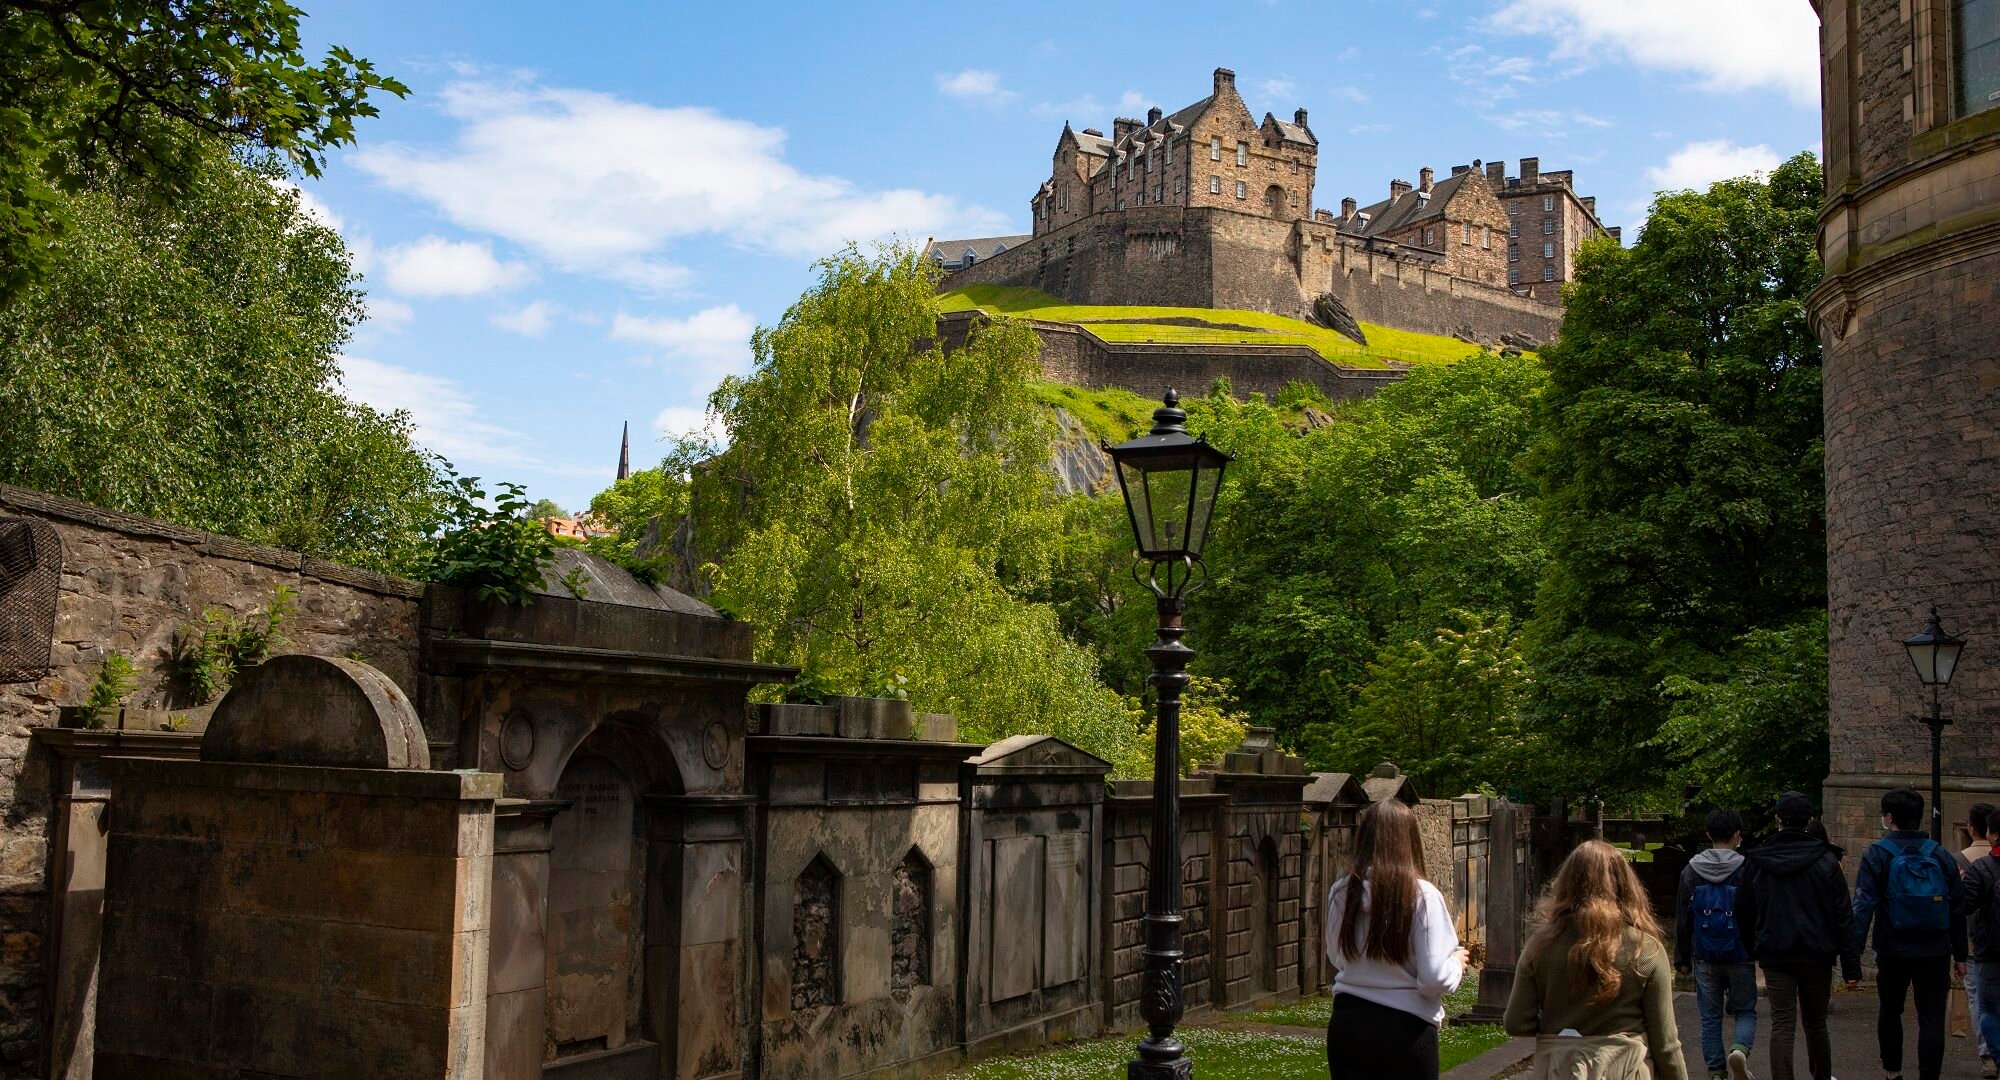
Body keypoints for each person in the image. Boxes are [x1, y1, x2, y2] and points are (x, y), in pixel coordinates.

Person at [1503, 840, 1688, 1080]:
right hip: (1626, 1070)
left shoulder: (1540, 946)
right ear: (1625, 885)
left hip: (1560, 1070)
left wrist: (1561, 1030)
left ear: (1566, 884)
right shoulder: (1645, 949)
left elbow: (1516, 1022)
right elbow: (1666, 1044)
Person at [1323, 798, 1466, 1080]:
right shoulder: (1422, 896)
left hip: (1348, 1025)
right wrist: (1456, 964)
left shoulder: (1342, 891)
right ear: (1411, 841)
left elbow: (1337, 956)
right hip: (1406, 1029)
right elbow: (1434, 977)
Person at [1738, 791, 1862, 1080]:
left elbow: (1743, 909)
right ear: (1809, 820)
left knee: (1782, 1022)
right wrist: (1851, 965)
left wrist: (1751, 947)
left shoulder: (1758, 860)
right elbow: (1843, 915)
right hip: (1817, 952)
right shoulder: (1826, 861)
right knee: (1816, 1023)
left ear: (1778, 818)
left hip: (1775, 949)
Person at [1854, 787, 1969, 1080]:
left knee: (1890, 1011)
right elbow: (1957, 907)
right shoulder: (1940, 855)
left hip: (1892, 947)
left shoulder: (1877, 854)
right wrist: (1960, 954)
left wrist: (1852, 953)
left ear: (1889, 817)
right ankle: (1929, 1075)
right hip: (1935, 949)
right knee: (1931, 1017)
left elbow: (1863, 905)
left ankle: (1893, 1073)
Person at [1675, 809, 1757, 1080]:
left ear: (1708, 834)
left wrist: (1683, 958)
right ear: (1737, 835)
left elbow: (1682, 919)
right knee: (1745, 1010)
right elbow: (1756, 912)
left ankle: (1716, 1072)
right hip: (1740, 952)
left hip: (1705, 954)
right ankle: (1740, 1050)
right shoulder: (1747, 869)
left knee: (1710, 1018)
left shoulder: (1691, 871)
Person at [1962, 803, 1998, 1078]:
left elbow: (1963, 906)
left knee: (1985, 1007)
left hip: (1987, 949)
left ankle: (1993, 1056)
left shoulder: (1972, 865)